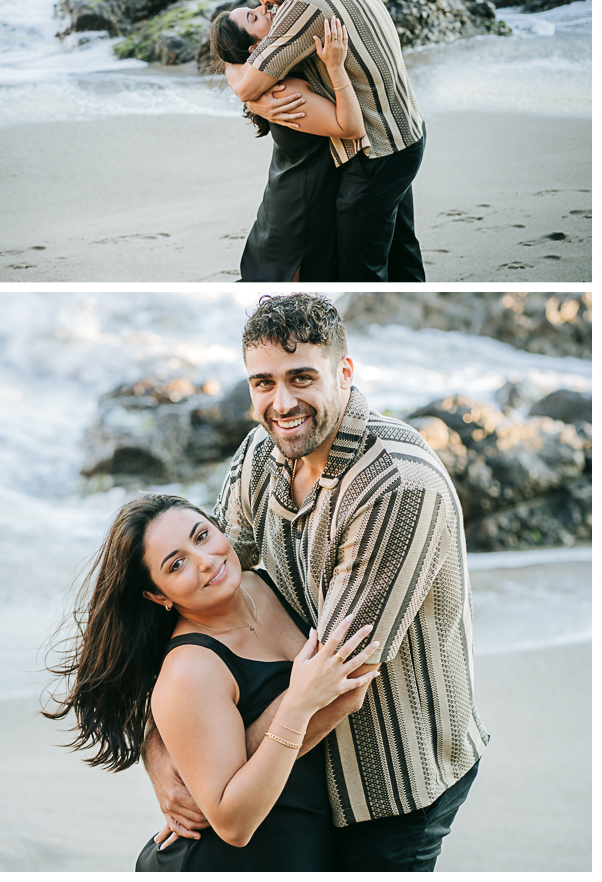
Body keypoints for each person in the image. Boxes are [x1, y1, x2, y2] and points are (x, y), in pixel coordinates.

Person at [145, 294, 489, 872]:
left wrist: (217, 780)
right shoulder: (264, 448)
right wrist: (164, 748)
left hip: (392, 784)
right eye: (263, 383)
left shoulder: (396, 488)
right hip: (302, 772)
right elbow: (212, 585)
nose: (281, 403)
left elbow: (339, 681)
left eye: (302, 377)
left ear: (344, 373)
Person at [43, 493, 381, 872]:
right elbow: (232, 824)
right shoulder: (190, 669)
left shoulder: (271, 583)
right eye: (177, 565)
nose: (205, 562)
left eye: (202, 536)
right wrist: (299, 703)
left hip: (306, 844)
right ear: (157, 595)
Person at [224, 0, 427, 283]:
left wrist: (260, 104)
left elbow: (246, 85)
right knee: (402, 256)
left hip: (375, 151)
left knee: (362, 271)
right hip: (406, 132)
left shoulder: (302, 5)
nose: (263, 3)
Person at [209, 11, 365, 281]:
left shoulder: (268, 78)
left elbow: (233, 65)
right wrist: (336, 68)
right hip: (298, 209)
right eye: (253, 18)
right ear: (255, 48)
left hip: (285, 195)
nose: (263, 9)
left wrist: (247, 96)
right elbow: (351, 128)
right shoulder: (284, 90)